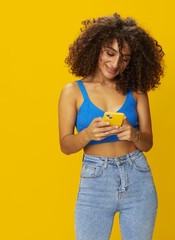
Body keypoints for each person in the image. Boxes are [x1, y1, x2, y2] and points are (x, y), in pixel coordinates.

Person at [58, 13, 164, 240]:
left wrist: (134, 135)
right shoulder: (72, 92)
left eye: (124, 58)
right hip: (95, 181)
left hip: (137, 178)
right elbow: (66, 145)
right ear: (96, 49)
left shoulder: (136, 91)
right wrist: (87, 134)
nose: (116, 64)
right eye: (110, 53)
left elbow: (148, 143)